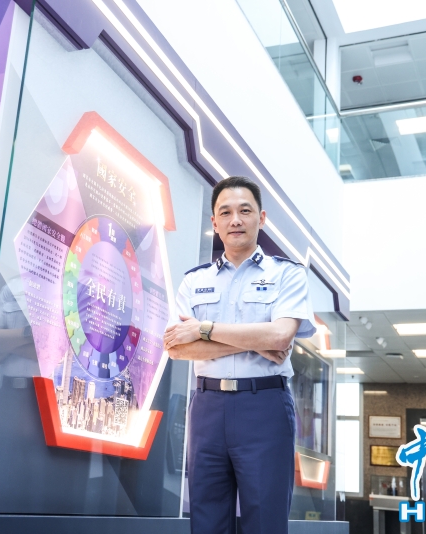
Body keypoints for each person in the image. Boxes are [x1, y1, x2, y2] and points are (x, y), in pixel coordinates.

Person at [164, 176, 316, 534]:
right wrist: (256, 340)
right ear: (214, 222)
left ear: (261, 218)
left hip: (264, 406)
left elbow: (280, 336)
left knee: (265, 520)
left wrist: (204, 328)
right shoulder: (194, 281)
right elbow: (176, 347)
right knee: (206, 520)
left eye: (245, 211)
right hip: (207, 407)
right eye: (225, 212)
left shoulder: (287, 275)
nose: (235, 220)